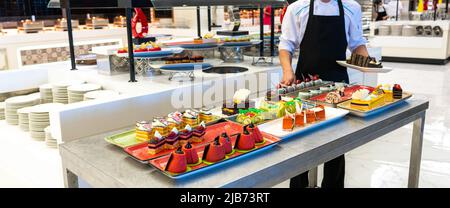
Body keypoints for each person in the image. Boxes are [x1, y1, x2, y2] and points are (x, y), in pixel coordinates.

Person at [279, 0, 370, 188]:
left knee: (337, 140)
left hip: (339, 86)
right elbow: (286, 44)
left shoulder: (351, 7)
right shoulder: (297, 8)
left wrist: (369, 63)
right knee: (301, 138)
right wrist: (288, 71)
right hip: (305, 85)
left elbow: (357, 44)